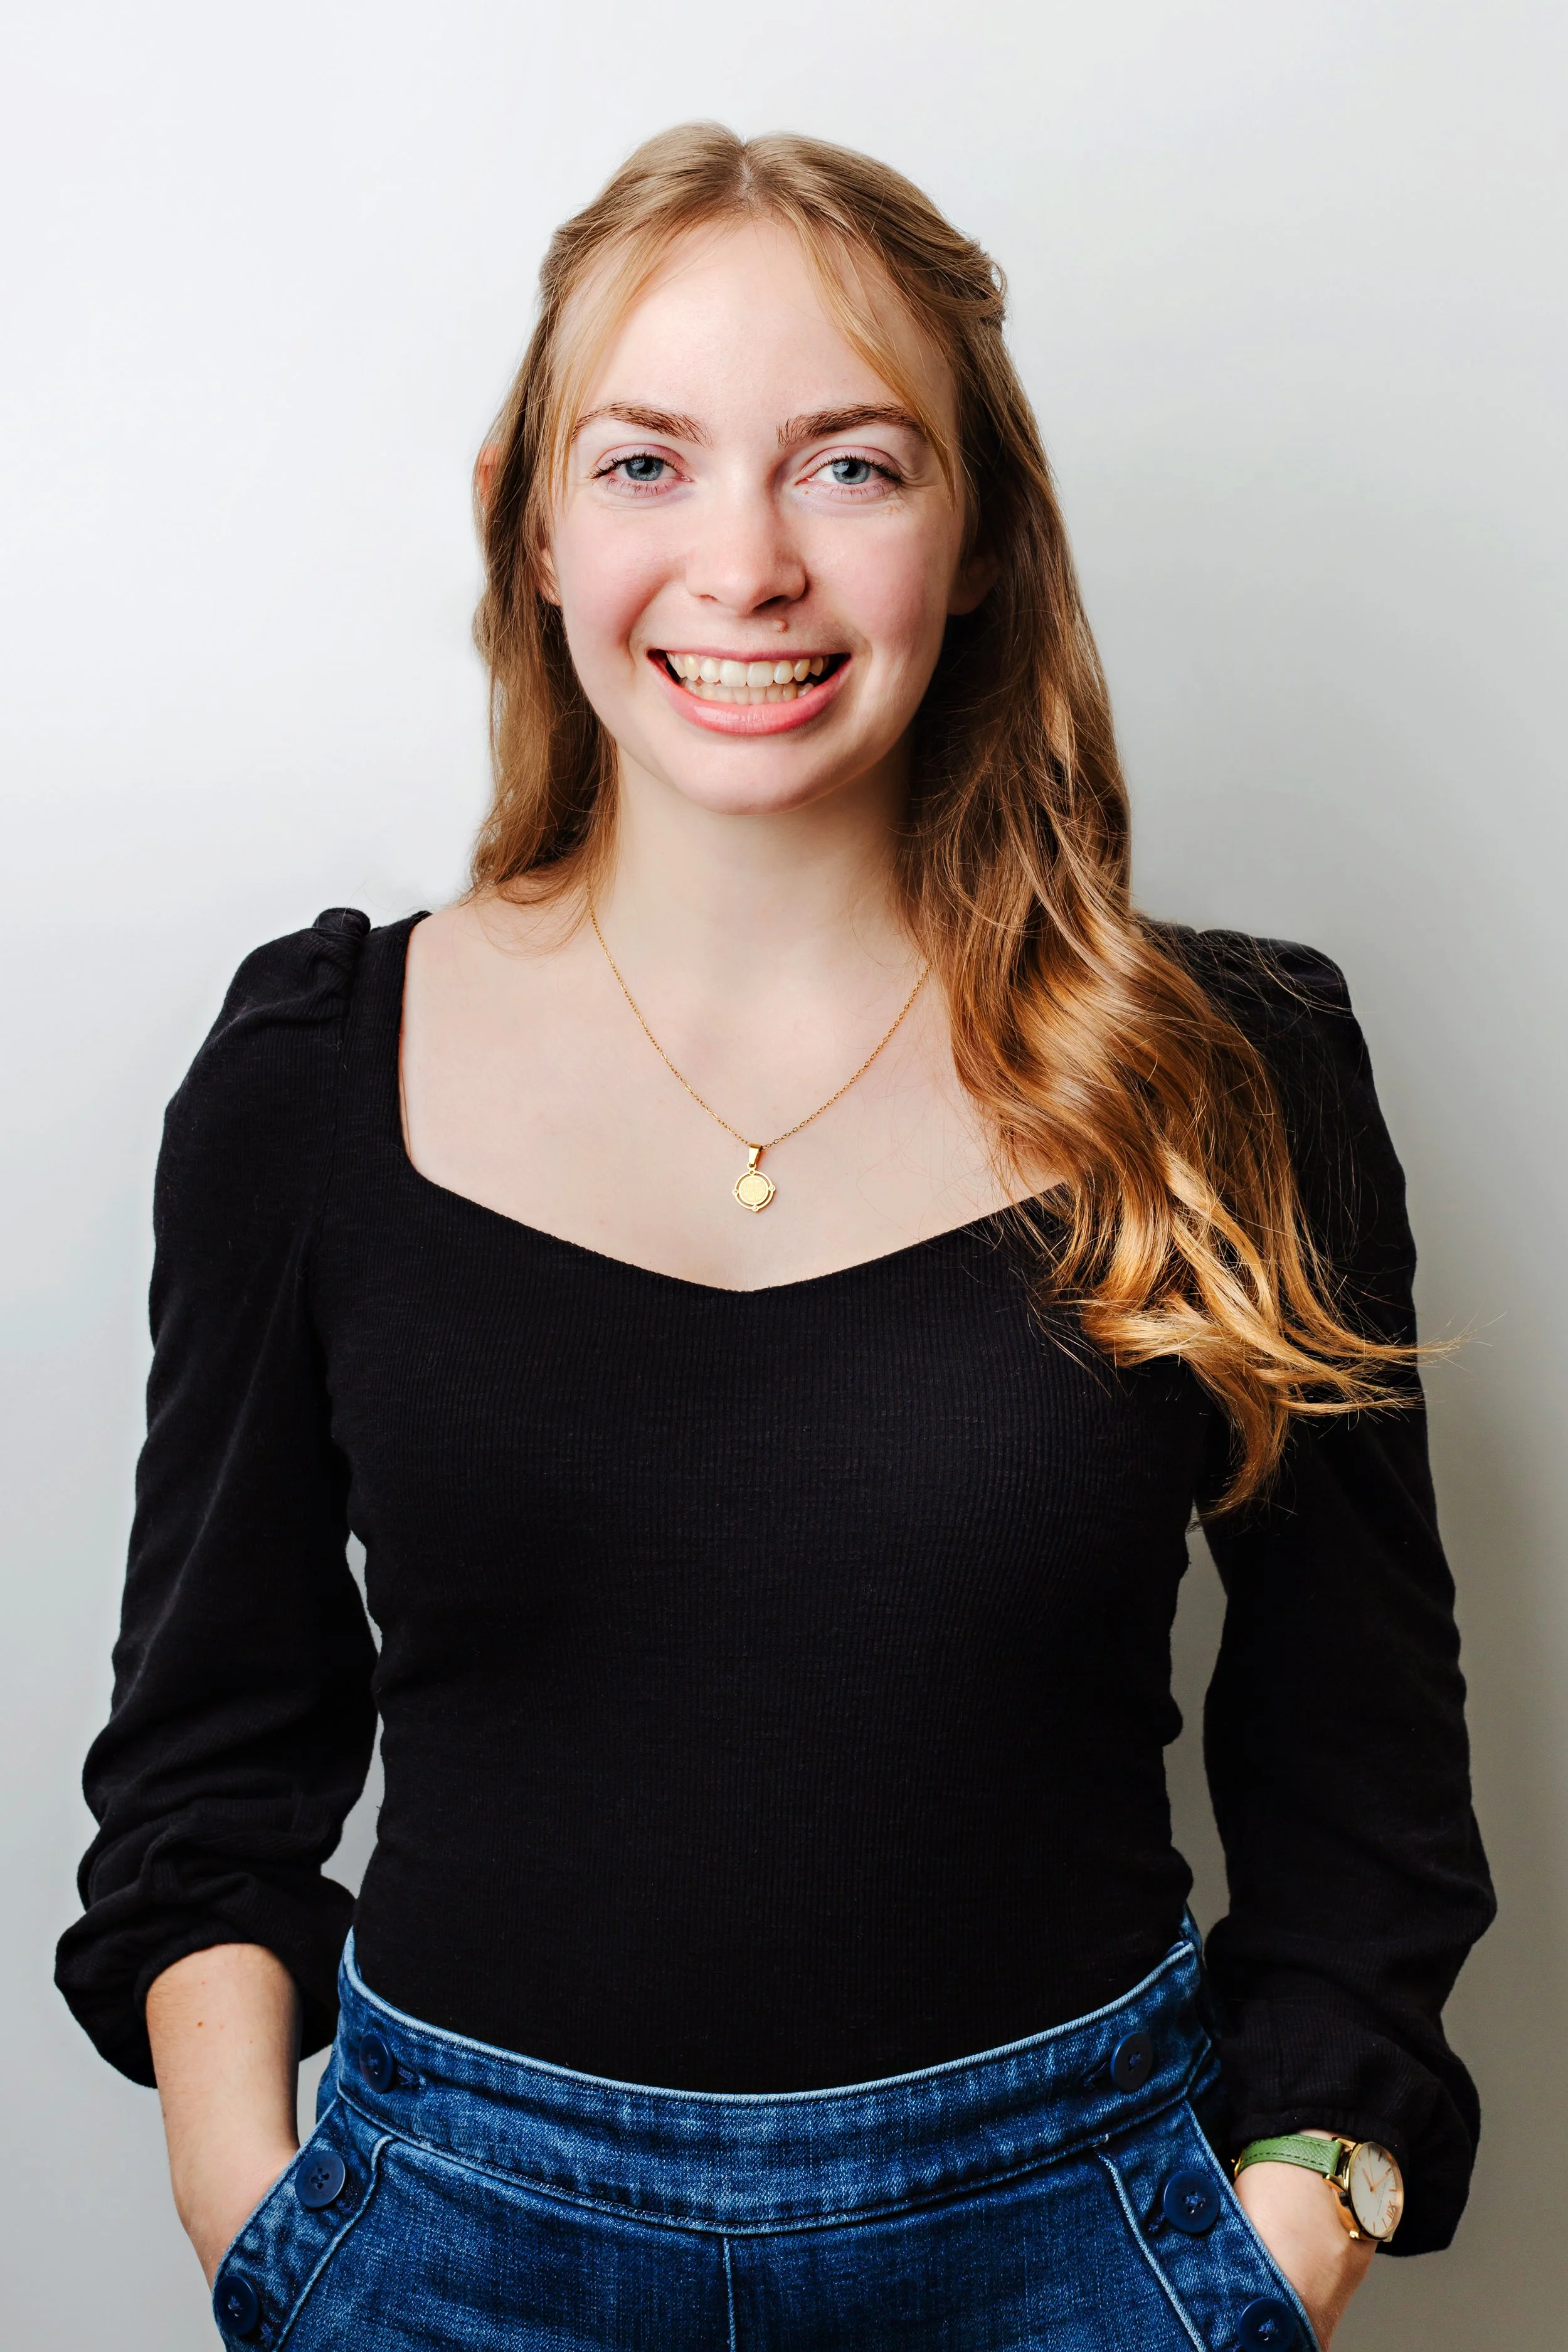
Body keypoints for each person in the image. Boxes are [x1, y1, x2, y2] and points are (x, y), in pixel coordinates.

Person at [56, 125, 1493, 2351]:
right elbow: (205, 1768)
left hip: (1078, 2250)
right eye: (644, 463)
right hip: (444, 2255)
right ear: (528, 526)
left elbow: (1362, 1785)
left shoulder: (1234, 1077)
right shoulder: (309, 1076)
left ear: (981, 530)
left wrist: (1295, 2221)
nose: (744, 566)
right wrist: (251, 2206)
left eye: (848, 465)